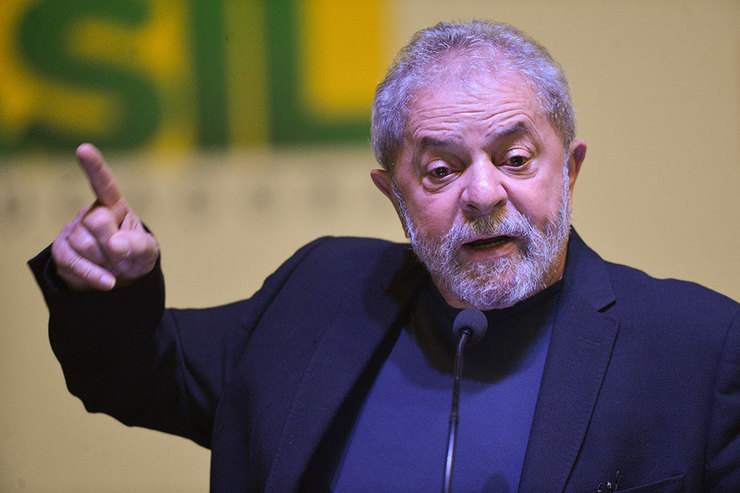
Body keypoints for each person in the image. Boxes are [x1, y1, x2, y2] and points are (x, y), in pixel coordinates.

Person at [30, 20, 738, 492]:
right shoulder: (321, 291)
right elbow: (137, 374)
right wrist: (104, 284)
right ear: (393, 195)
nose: (483, 194)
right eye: (441, 171)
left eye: (516, 158)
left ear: (570, 169)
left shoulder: (699, 348)